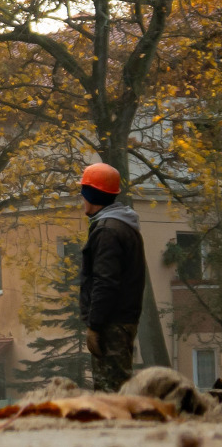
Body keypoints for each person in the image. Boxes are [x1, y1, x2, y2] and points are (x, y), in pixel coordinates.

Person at [78, 161, 145, 392]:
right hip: (121, 321)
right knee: (120, 390)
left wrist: (94, 326)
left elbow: (105, 282)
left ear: (91, 194)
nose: (81, 199)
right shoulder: (123, 225)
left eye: (83, 192)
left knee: (111, 395)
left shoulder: (107, 230)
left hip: (111, 325)